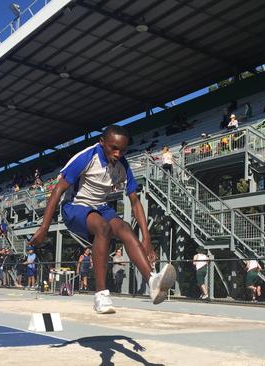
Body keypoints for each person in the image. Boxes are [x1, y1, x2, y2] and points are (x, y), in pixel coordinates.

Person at [29, 125, 176, 314]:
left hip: (100, 207)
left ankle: (152, 281)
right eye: (113, 148)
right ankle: (100, 294)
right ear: (102, 142)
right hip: (74, 207)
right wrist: (44, 228)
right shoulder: (87, 157)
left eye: (122, 150)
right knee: (103, 227)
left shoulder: (123, 165)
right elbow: (58, 189)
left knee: (124, 228)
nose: (117, 153)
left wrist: (146, 239)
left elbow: (135, 202)